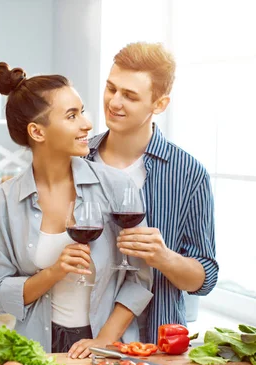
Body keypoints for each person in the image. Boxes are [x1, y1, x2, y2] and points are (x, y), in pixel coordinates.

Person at [0, 62, 153, 358]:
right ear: (37, 131)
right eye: (72, 116)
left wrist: (104, 339)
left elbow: (139, 278)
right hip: (37, 348)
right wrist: (55, 271)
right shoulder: (3, 201)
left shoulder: (115, 186)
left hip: (109, 346)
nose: (86, 124)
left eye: (82, 111)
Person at [87, 42, 218, 344]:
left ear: (159, 104)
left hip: (154, 345)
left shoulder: (188, 172)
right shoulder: (78, 160)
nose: (114, 102)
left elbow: (205, 277)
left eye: (130, 96)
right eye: (111, 88)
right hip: (78, 338)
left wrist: (163, 257)